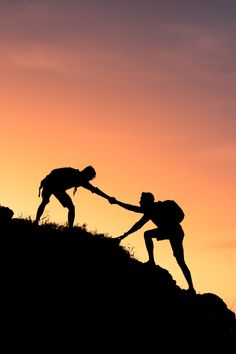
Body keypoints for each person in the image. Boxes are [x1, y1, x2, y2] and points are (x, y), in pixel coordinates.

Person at [110, 192, 195, 293]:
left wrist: (117, 202)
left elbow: (133, 209)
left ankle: (191, 288)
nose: (139, 202)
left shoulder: (156, 208)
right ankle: (152, 261)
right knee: (147, 235)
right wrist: (124, 235)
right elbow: (137, 224)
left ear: (147, 201)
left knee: (180, 260)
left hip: (175, 232)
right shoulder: (150, 211)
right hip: (172, 231)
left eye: (141, 200)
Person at [35, 165, 113, 228]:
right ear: (87, 174)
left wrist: (108, 198)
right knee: (70, 207)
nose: (89, 180)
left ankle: (36, 221)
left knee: (45, 202)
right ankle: (70, 229)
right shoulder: (74, 173)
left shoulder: (81, 179)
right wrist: (108, 198)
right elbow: (55, 172)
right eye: (89, 178)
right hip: (52, 184)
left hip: (52, 186)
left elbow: (95, 190)